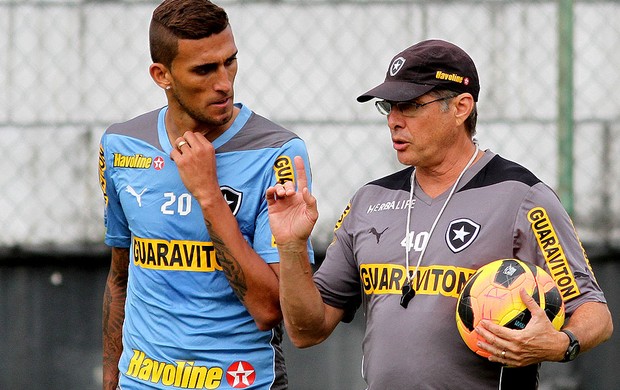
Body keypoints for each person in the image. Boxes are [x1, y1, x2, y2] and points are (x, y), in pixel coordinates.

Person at [266, 39, 613, 389]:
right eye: (389, 106)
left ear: (461, 107)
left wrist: (561, 344)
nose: (393, 121)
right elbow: (306, 331)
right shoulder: (369, 200)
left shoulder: (523, 198)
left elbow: (594, 313)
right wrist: (291, 245)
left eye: (411, 106)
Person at [98, 1, 313, 389]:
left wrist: (209, 194)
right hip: (141, 381)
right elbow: (120, 277)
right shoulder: (121, 146)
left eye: (230, 62)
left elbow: (269, 309)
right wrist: (112, 379)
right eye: (204, 69)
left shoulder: (278, 153)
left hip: (240, 381)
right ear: (161, 74)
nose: (224, 83)